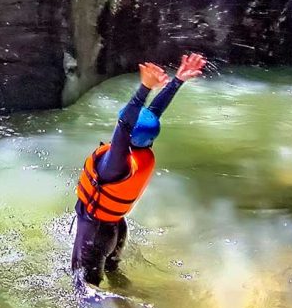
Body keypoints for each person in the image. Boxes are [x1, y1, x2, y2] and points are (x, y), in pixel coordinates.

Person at [71, 53, 207, 287]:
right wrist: (177, 81)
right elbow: (152, 114)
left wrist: (144, 88)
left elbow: (125, 123)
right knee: (116, 280)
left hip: (95, 235)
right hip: (117, 229)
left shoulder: (117, 164)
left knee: (84, 291)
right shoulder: (141, 152)